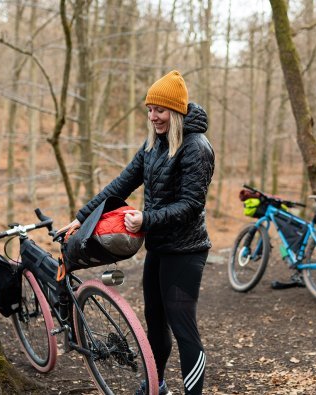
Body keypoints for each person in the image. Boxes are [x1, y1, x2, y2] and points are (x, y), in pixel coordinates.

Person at [58, 70, 215, 395]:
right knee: (155, 323)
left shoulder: (196, 147)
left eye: (160, 110)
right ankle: (155, 386)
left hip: (186, 252)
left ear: (176, 111)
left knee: (183, 327)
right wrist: (82, 217)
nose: (153, 116)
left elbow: (190, 205)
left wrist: (146, 219)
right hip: (158, 248)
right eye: (150, 109)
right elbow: (122, 183)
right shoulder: (153, 145)